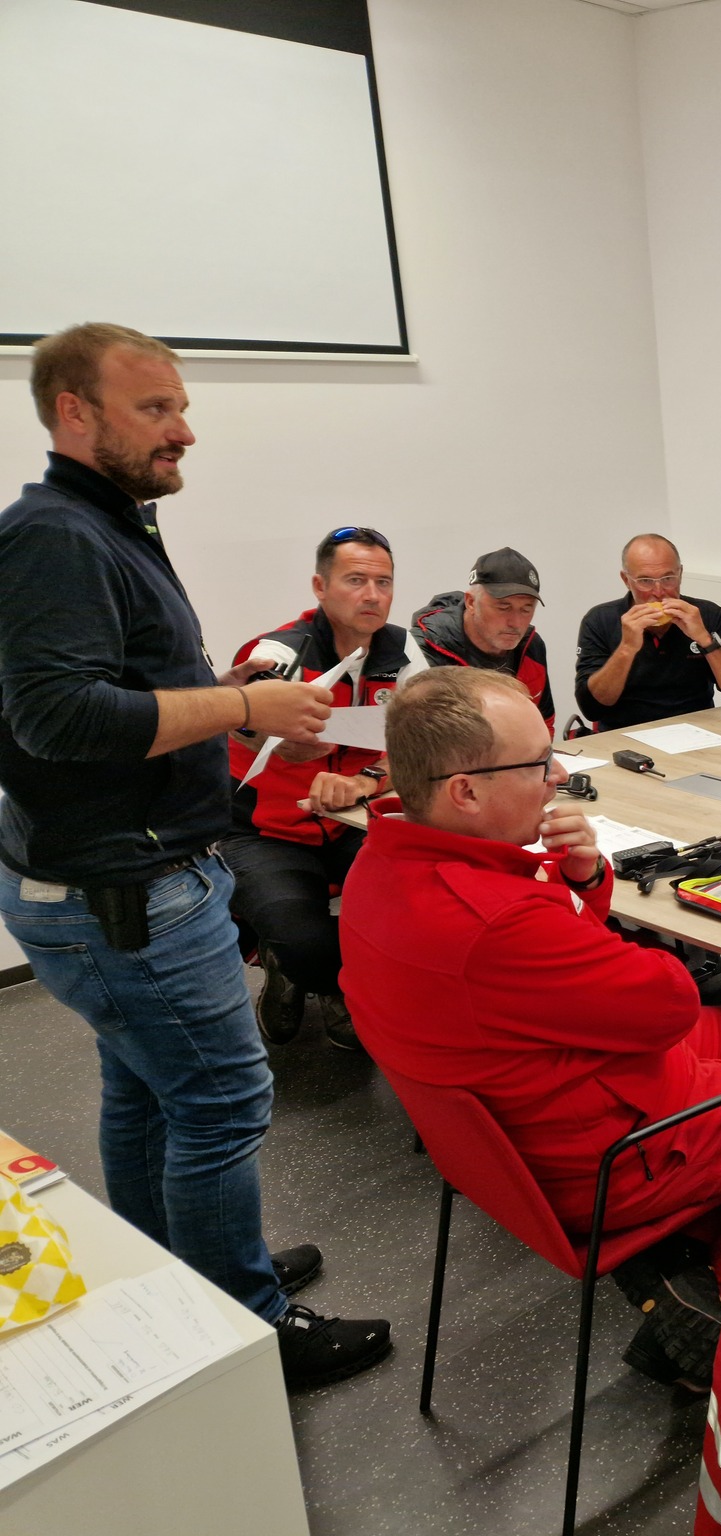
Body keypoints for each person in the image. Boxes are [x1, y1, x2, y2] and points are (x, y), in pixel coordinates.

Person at [0, 323, 391, 1389]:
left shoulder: (108, 523)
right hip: (128, 892)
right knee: (218, 1104)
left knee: (146, 1093)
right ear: (74, 412)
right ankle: (249, 1330)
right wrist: (242, 708)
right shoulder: (55, 537)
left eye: (180, 406)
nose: (184, 430)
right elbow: (58, 717)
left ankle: (189, 1278)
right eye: (156, 409)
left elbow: (113, 690)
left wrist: (228, 701)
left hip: (121, 881)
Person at [339, 667, 721, 1386]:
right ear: (465, 791)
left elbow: (555, 971)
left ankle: (700, 1245)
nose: (557, 779)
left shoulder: (383, 862)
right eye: (537, 764)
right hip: (603, 1157)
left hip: (514, 1126)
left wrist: (577, 882)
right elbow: (668, 1000)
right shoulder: (497, 921)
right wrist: (574, 898)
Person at [222, 525, 428, 1051]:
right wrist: (271, 735)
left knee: (421, 906)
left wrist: (365, 780)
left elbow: (422, 744)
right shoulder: (278, 651)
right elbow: (246, 724)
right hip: (265, 832)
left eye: (384, 582)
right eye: (355, 580)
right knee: (307, 945)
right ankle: (302, 969)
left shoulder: (403, 651)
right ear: (320, 587)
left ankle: (339, 982)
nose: (372, 595)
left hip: (353, 821)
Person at [574, 533, 721, 731]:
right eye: (645, 581)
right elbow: (592, 709)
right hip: (624, 733)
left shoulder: (706, 614)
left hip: (696, 730)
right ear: (626, 580)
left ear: (680, 574)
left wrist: (705, 639)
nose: (659, 592)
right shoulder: (600, 620)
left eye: (668, 578)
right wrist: (626, 649)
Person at [411, 546, 555, 729]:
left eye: (526, 609)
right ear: (471, 602)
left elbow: (543, 723)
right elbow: (419, 736)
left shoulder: (531, 645)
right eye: (504, 608)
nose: (516, 623)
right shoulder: (423, 649)